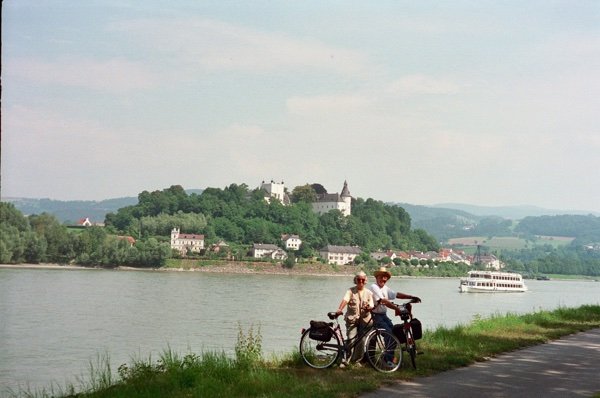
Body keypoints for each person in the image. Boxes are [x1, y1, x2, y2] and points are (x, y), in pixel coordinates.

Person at [369, 266, 421, 364]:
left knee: (394, 333)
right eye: (381, 277)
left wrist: (411, 296)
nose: (383, 279)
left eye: (385, 278)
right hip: (376, 316)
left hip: (383, 315)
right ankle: (387, 359)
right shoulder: (374, 287)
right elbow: (383, 300)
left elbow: (396, 294)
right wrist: (397, 309)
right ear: (377, 277)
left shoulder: (385, 288)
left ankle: (388, 356)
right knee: (389, 334)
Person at [335, 270, 374, 367]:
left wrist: (368, 308)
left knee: (362, 340)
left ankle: (356, 361)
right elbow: (345, 300)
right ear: (355, 280)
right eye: (358, 279)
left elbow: (372, 305)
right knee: (351, 339)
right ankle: (346, 360)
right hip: (352, 319)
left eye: (362, 279)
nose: (360, 281)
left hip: (364, 320)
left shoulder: (369, 293)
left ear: (365, 281)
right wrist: (339, 309)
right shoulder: (350, 291)